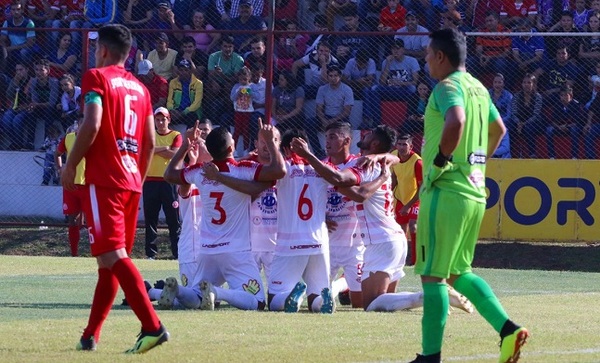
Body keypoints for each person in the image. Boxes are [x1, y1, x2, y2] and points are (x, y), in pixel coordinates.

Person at [410, 28, 528, 363]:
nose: (427, 61)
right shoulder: (478, 87)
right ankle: (509, 330)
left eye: (429, 55)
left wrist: (442, 161)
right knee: (459, 272)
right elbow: (499, 130)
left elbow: (456, 121)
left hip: (445, 191)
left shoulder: (446, 87)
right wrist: (475, 164)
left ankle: (429, 357)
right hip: (474, 192)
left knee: (433, 274)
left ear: (441, 57)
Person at [61, 23, 168, 354]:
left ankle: (153, 327)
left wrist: (69, 165)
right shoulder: (142, 89)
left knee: (112, 255)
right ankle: (90, 335)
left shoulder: (96, 77)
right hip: (132, 180)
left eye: (96, 48)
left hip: (105, 179)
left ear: (103, 51)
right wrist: (136, 171)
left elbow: (92, 123)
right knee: (107, 263)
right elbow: (149, 141)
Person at [290, 126, 473, 314]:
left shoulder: (366, 165)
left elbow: (348, 185)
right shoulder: (380, 163)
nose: (364, 135)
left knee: (371, 304)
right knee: (386, 302)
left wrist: (309, 156)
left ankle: (432, 295)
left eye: (369, 135)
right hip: (393, 238)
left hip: (380, 241)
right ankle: (433, 296)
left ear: (375, 143)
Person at [163, 121, 286, 312]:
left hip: (207, 250)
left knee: (196, 295)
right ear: (232, 147)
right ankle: (218, 293)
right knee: (259, 301)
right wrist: (270, 141)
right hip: (236, 250)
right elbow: (279, 171)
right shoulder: (243, 169)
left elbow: (169, 174)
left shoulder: (200, 171)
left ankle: (178, 290)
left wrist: (185, 147)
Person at [322, 121, 364, 308]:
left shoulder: (358, 163)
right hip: (326, 243)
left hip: (354, 245)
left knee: (360, 304)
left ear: (347, 140)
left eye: (332, 137)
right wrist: (320, 217)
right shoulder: (321, 166)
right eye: (326, 138)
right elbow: (311, 199)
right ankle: (339, 285)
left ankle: (341, 284)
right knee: (315, 301)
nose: (327, 142)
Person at [143, 107, 182, 260]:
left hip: (169, 182)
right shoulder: (148, 134)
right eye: (157, 119)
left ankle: (177, 253)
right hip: (150, 181)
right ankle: (151, 254)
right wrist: (165, 148)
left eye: (163, 119)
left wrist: (154, 149)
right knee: (150, 219)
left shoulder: (176, 135)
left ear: (169, 119)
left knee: (173, 219)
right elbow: (144, 151)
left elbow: (176, 154)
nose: (160, 122)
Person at [363, 39, 420, 128]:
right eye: (393, 48)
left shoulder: (412, 61)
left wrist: (401, 83)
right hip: (390, 90)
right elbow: (382, 82)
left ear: (403, 50)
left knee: (412, 89)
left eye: (398, 48)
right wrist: (388, 64)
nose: (395, 51)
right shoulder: (386, 61)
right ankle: (376, 122)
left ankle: (409, 122)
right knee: (374, 89)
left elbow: (415, 82)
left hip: (405, 91)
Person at [309, 65, 354, 159]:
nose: (333, 78)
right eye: (330, 76)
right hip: (325, 116)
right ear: (327, 77)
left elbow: (347, 112)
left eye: (335, 76)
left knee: (346, 126)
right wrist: (324, 120)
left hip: (340, 118)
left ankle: (342, 153)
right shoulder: (322, 89)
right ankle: (318, 152)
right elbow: (318, 109)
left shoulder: (347, 89)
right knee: (309, 123)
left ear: (340, 77)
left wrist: (331, 121)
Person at [55, 117, 85, 256]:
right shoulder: (68, 138)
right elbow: (57, 154)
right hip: (70, 184)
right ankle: (74, 254)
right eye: (80, 124)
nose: (83, 127)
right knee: (72, 219)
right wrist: (60, 169)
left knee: (91, 220)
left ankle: (96, 253)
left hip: (88, 185)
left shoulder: (94, 139)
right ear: (77, 125)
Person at [390, 134, 421, 266]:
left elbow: (422, 187)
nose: (401, 147)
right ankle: (401, 260)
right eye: (399, 144)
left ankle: (416, 261)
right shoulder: (393, 156)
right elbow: (394, 177)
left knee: (413, 227)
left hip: (416, 198)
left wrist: (408, 205)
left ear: (411, 146)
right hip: (400, 197)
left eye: (405, 145)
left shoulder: (417, 162)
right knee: (401, 231)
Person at [508, 73, 543, 158]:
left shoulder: (538, 97)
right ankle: (512, 153)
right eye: (524, 82)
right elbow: (513, 112)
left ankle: (532, 154)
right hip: (519, 120)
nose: (526, 84)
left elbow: (536, 114)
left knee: (529, 128)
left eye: (529, 82)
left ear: (533, 84)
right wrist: (518, 122)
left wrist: (524, 124)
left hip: (533, 121)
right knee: (511, 125)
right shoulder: (516, 96)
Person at [546, 85, 584, 159]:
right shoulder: (557, 105)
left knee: (574, 130)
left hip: (573, 127)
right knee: (549, 130)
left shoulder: (577, 105)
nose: (563, 97)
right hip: (560, 127)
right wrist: (559, 127)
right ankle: (552, 156)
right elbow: (553, 121)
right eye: (561, 95)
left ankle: (574, 156)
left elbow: (579, 121)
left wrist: (566, 126)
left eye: (566, 95)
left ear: (571, 96)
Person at [1, 62, 30, 150]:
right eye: (17, 70)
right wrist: (15, 82)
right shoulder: (14, 80)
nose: (18, 72)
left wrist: (25, 106)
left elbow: (30, 97)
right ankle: (14, 142)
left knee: (17, 120)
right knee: (6, 118)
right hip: (15, 107)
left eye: (21, 70)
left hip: (27, 108)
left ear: (27, 70)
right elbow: (9, 95)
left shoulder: (31, 80)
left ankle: (20, 143)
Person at [166, 59, 203, 127]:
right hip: (176, 111)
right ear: (178, 71)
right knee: (164, 115)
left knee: (192, 117)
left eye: (186, 70)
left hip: (190, 112)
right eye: (181, 70)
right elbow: (169, 100)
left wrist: (183, 112)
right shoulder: (173, 82)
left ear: (190, 71)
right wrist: (171, 110)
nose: (183, 72)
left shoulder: (198, 83)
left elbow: (197, 103)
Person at [0, 1, 37, 68]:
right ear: (10, 11)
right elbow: (2, 39)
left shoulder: (29, 23)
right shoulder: (7, 22)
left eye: (18, 9)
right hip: (12, 48)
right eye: (13, 10)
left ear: (22, 10)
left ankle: (26, 70)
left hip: (26, 49)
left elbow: (30, 43)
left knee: (24, 52)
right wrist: (5, 49)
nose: (16, 12)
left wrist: (11, 48)